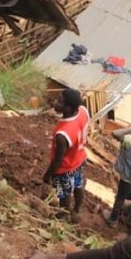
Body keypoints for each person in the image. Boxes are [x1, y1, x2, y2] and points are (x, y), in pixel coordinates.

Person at [43, 89, 90, 221]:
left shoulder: (63, 134)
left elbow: (58, 160)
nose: (55, 103)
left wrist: (48, 174)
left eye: (59, 102)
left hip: (64, 170)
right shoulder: (83, 111)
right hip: (79, 160)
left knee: (63, 193)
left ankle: (64, 213)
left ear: (68, 108)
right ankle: (77, 209)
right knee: (78, 186)